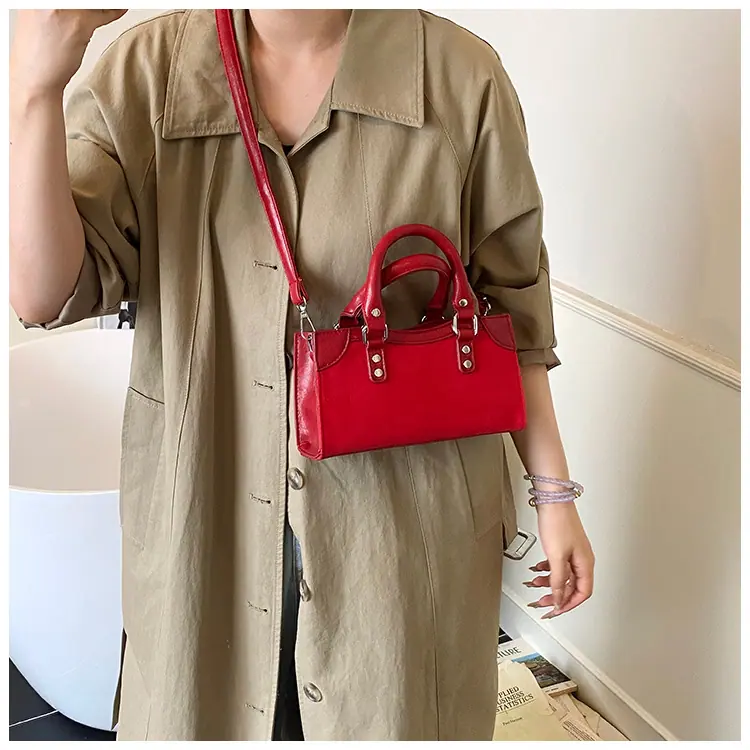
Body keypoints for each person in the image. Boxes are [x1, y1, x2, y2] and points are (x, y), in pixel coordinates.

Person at [10, 9, 595, 741]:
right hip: (206, 513)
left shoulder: (458, 77)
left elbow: (513, 314)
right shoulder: (147, 74)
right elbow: (44, 295)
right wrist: (34, 90)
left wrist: (554, 496)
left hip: (400, 541)